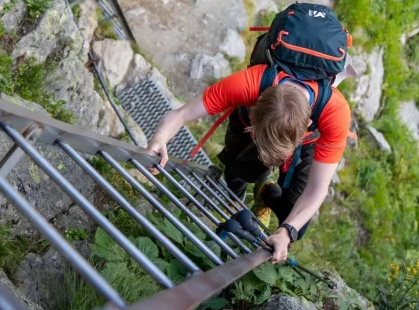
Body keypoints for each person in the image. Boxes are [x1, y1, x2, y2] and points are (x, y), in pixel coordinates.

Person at [147, 61, 351, 263]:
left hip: (308, 143)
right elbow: (180, 114)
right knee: (239, 171)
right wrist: (160, 138)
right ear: (254, 108)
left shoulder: (335, 112)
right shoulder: (246, 84)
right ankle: (242, 190)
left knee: (298, 221)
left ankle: (265, 192)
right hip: (250, 128)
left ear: (307, 124)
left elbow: (318, 188)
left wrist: (287, 231)